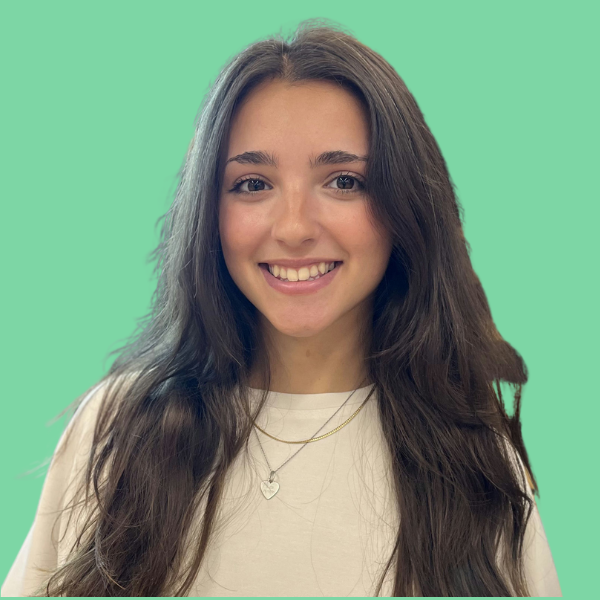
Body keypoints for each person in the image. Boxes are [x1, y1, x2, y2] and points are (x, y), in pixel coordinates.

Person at [2, 19, 561, 597]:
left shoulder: (477, 463)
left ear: (406, 207)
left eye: (343, 181)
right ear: (208, 213)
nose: (294, 229)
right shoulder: (116, 431)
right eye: (252, 184)